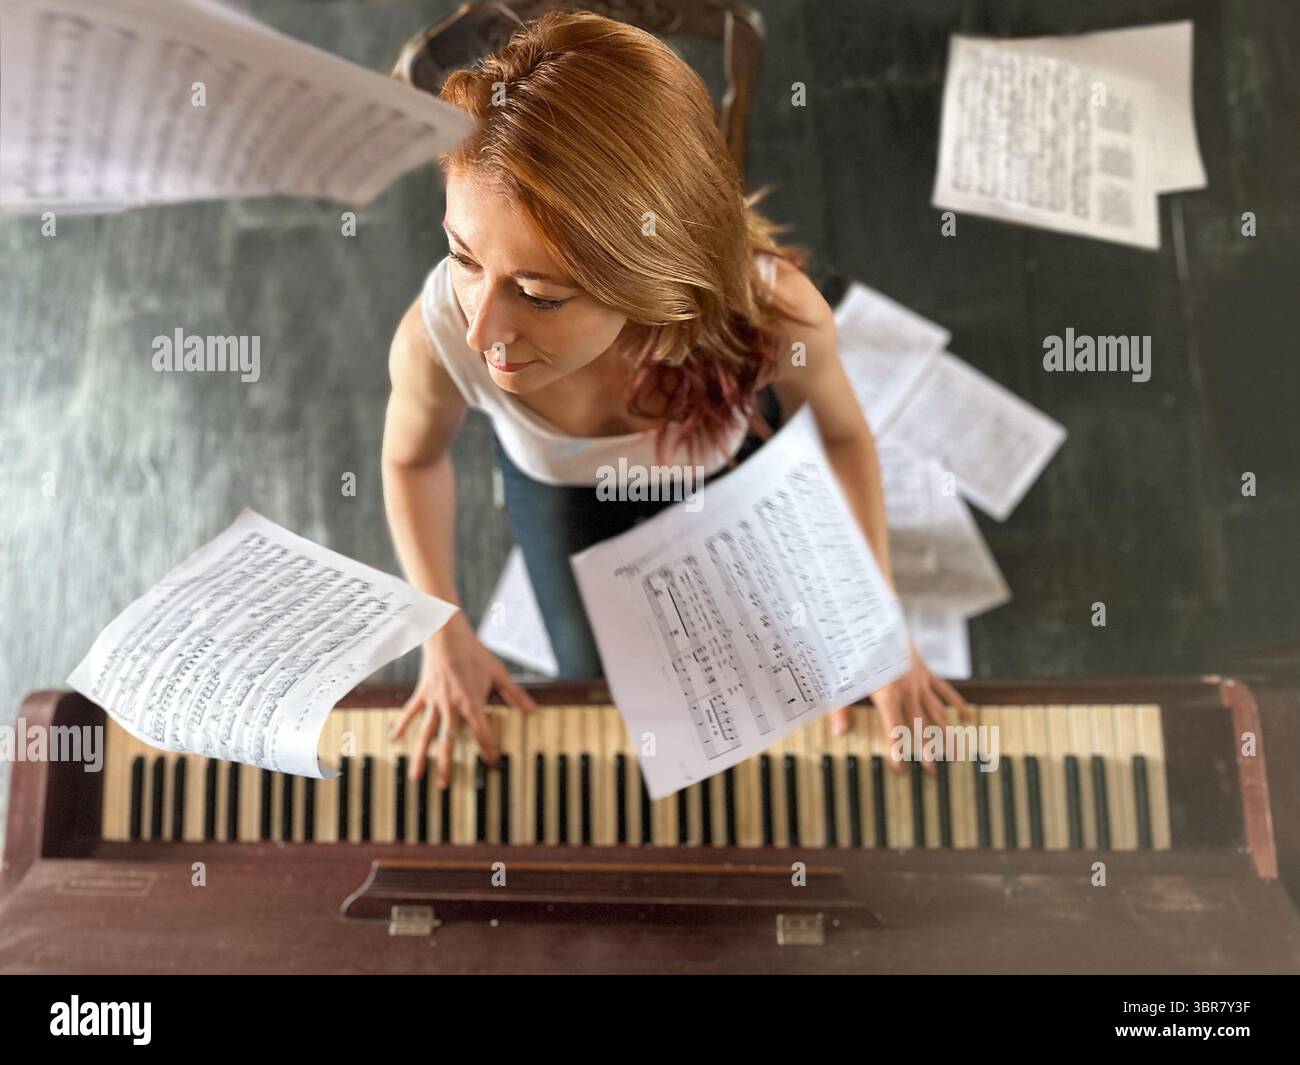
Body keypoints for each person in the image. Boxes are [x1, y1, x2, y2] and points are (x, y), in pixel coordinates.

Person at [381, 11, 967, 787]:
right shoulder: (438, 335)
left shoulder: (780, 315)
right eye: (462, 254)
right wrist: (442, 626)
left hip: (720, 469)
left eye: (539, 295)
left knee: (770, 673)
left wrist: (879, 627)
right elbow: (411, 460)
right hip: (558, 489)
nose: (482, 326)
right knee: (592, 684)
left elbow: (845, 440)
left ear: (654, 288)